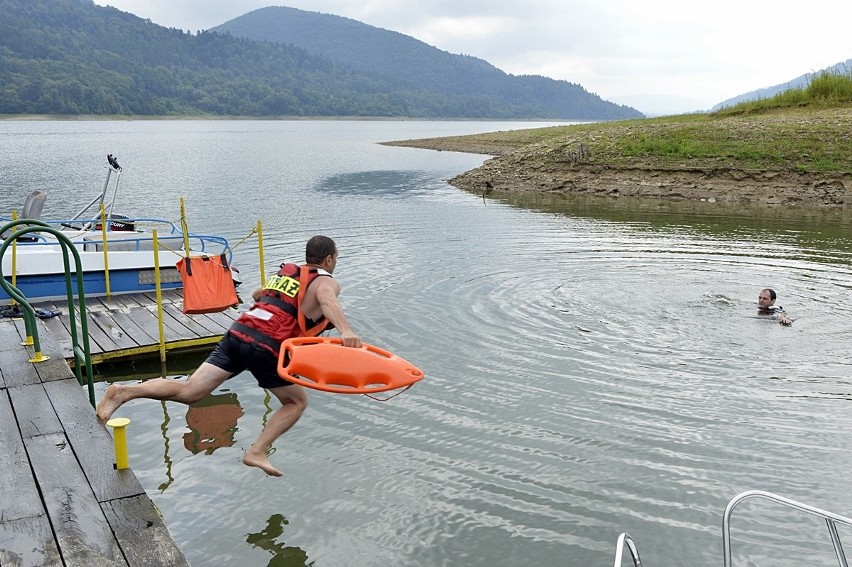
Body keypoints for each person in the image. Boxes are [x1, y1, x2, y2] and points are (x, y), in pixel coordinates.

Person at [97, 235, 361, 476]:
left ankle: (123, 392)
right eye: (335, 258)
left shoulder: (287, 275)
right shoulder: (326, 280)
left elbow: (258, 295)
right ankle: (257, 451)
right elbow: (328, 301)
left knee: (190, 392)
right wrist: (346, 331)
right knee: (296, 402)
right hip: (265, 345)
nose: (335, 263)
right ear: (329, 259)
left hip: (238, 333)